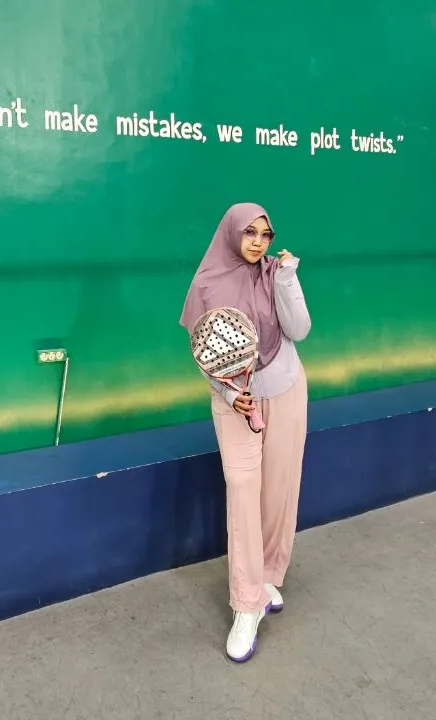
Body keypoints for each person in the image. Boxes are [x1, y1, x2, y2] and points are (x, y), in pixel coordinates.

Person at [179, 202, 311, 663]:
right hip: (235, 401)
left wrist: (287, 278)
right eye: (249, 232)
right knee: (242, 489)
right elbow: (205, 351)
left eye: (265, 234)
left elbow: (299, 329)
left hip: (287, 389)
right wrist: (228, 392)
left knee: (279, 489)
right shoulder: (207, 284)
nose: (257, 242)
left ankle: (269, 576)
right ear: (231, 233)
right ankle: (246, 604)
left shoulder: (274, 273)